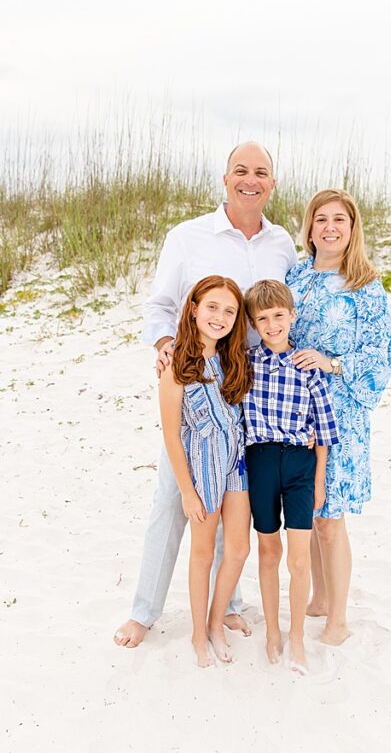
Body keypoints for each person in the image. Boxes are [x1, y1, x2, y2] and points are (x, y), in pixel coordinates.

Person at [114, 142, 296, 649]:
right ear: (225, 178)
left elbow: (285, 310)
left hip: (252, 388)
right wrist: (169, 347)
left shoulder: (282, 244)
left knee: (234, 497)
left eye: (261, 173)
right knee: (175, 497)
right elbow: (160, 305)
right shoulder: (188, 236)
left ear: (272, 184)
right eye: (241, 171)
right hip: (195, 384)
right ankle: (144, 612)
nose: (250, 180)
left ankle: (229, 603)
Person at [287, 189, 391, 645]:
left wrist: (332, 364)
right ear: (310, 227)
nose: (329, 227)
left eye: (340, 220)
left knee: (331, 515)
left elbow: (382, 353)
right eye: (321, 219)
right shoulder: (295, 275)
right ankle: (319, 600)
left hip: (340, 411)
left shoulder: (364, 284)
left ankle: (339, 621)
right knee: (308, 510)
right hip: (295, 411)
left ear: (352, 229)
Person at [242, 279, 342, 673]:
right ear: (253, 322)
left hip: (300, 465)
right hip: (261, 462)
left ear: (292, 316)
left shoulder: (306, 366)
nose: (271, 325)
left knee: (299, 560)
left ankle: (297, 635)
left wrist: (318, 480)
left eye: (278, 316)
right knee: (269, 552)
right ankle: (272, 631)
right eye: (262, 318)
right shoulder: (247, 362)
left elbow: (325, 431)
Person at [158, 275, 252, 667]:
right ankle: (199, 634)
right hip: (203, 463)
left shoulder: (232, 358)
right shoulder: (176, 365)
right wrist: (187, 490)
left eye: (229, 311)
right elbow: (171, 436)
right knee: (201, 551)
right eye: (212, 307)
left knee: (238, 548)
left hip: (237, 460)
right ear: (194, 308)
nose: (220, 317)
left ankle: (216, 622)